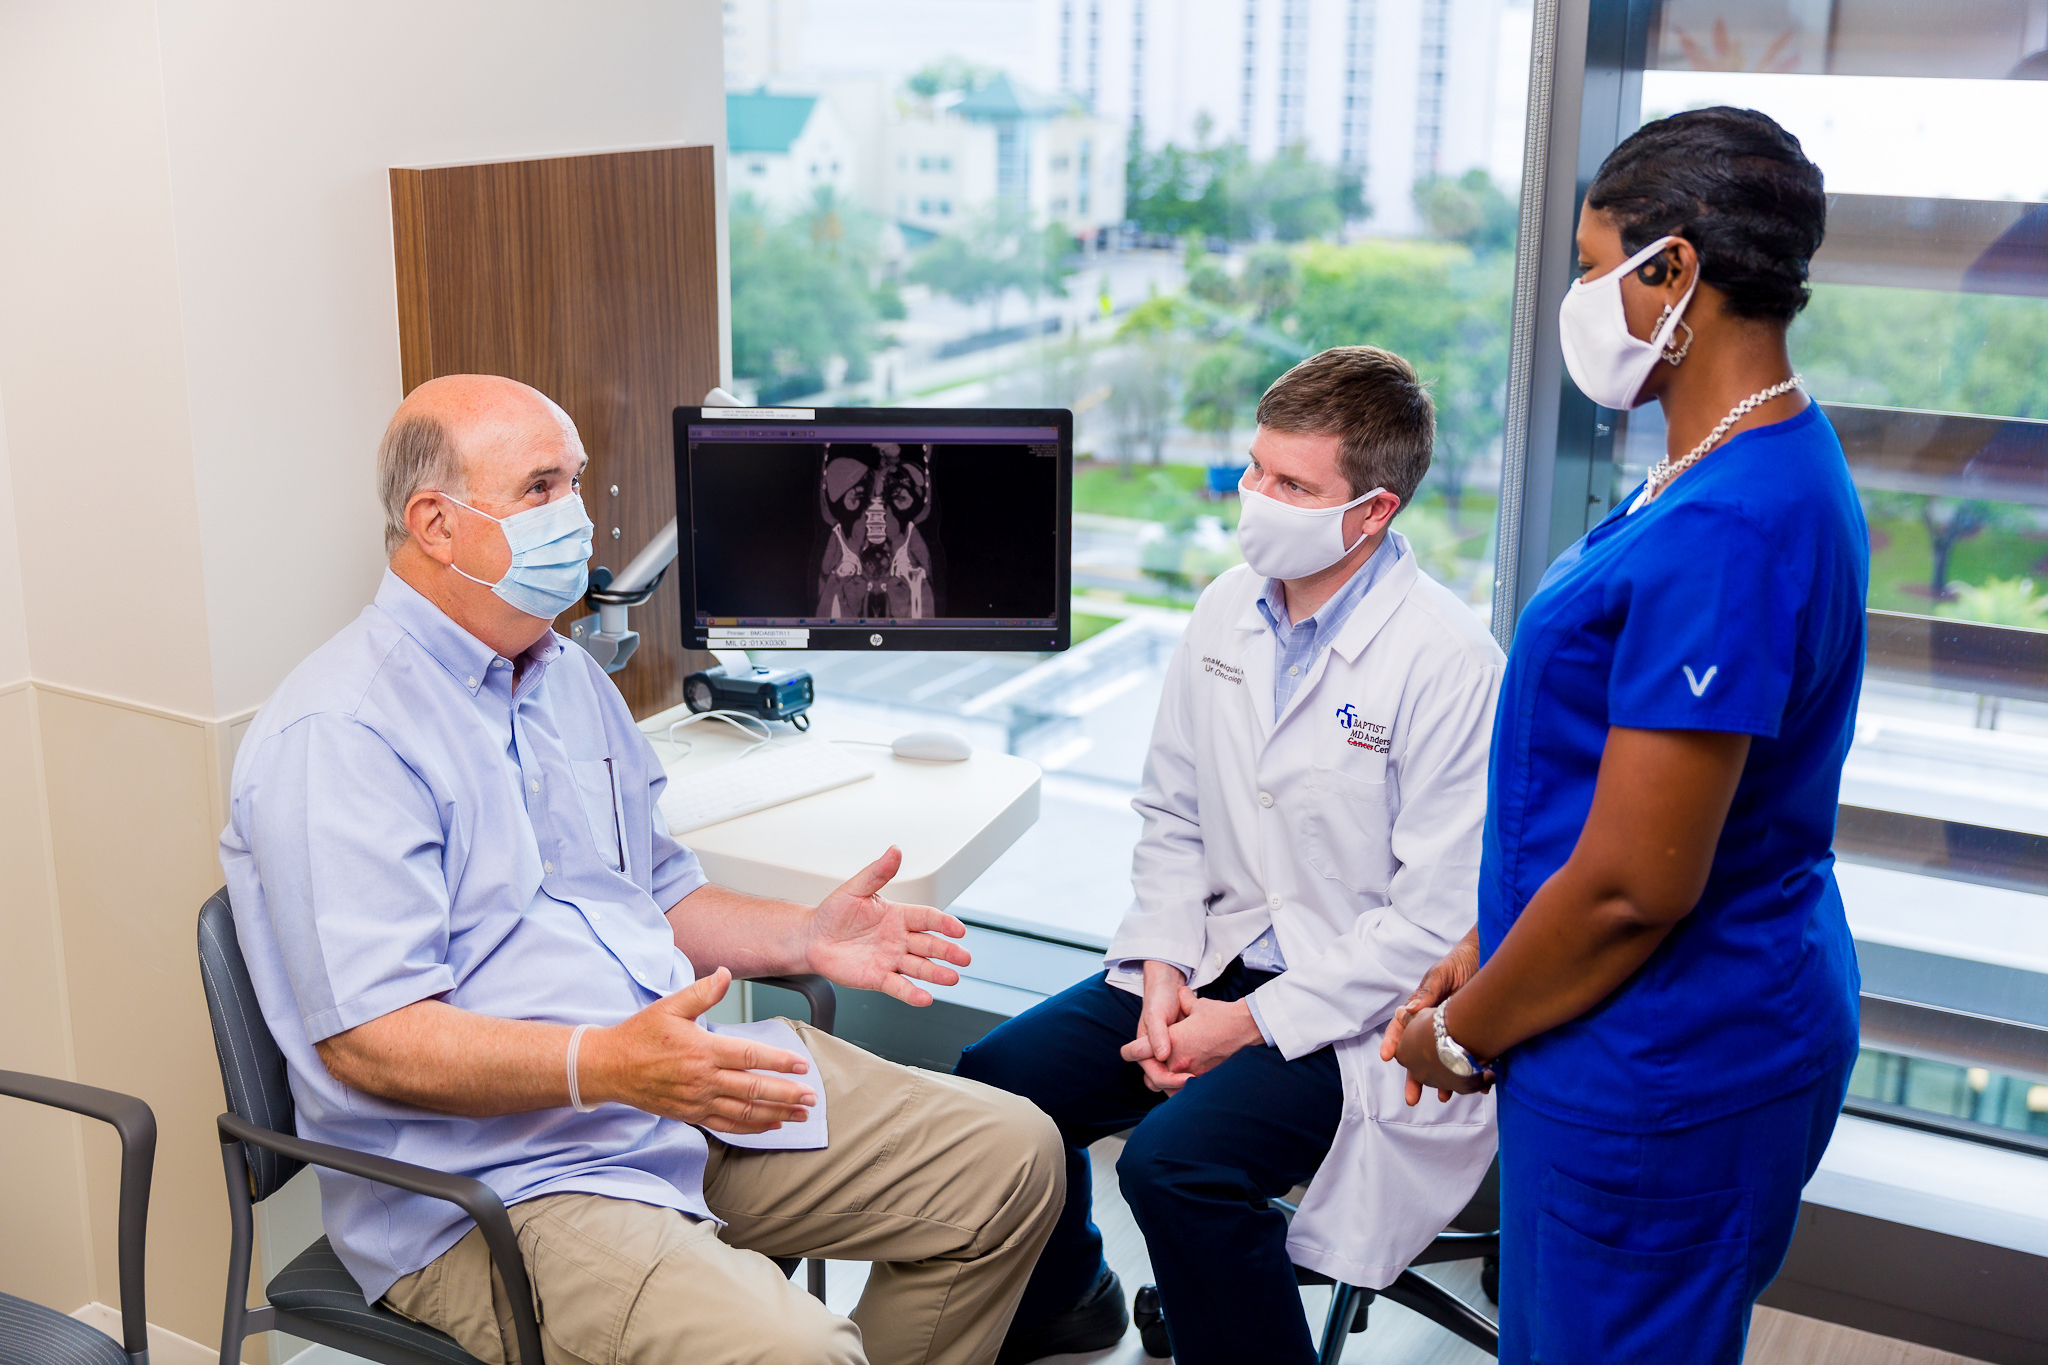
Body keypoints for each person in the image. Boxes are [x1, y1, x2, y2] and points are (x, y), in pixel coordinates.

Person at [219, 375, 1063, 1365]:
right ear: (436, 525)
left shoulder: (563, 675)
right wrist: (609, 1064)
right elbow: (375, 1044)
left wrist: (803, 937)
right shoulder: (342, 736)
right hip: (498, 1185)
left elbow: (658, 893)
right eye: (540, 488)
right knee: (801, 1354)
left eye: (575, 482)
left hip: (664, 1096)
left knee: (1012, 1165)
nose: (574, 517)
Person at [1385, 108, 1865, 1364]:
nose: (1581, 295)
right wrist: (1490, 939)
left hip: (1666, 1059)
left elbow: (1632, 887)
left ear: (1672, 271)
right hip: (1676, 1011)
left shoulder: (1729, 527)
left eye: (1596, 262)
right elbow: (1607, 789)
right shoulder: (1738, 458)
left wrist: (1459, 1032)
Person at [956, 347, 1503, 1365]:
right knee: (995, 1086)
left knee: (1174, 1169)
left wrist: (1242, 1027)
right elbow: (1172, 813)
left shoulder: (1448, 663)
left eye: (1291, 485)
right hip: (1214, 951)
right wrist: (1163, 970)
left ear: (1372, 511)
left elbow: (1431, 925)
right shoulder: (1224, 608)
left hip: (1363, 1006)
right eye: (1254, 469)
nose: (1255, 499)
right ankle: (1068, 1294)